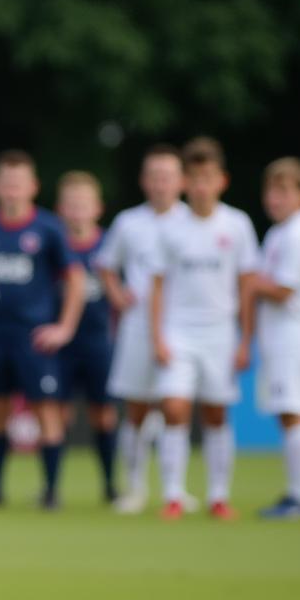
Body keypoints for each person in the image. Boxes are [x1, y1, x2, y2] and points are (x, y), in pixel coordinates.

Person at [0, 150, 86, 510]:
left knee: (46, 411)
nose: (12, 190)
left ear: (33, 187)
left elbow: (76, 280)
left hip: (34, 338)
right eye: (6, 183)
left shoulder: (49, 228)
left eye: (18, 184)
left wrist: (64, 328)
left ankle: (51, 491)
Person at [150, 137, 258, 520]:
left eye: (207, 177)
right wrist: (157, 337)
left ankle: (218, 496)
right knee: (175, 408)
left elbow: (247, 286)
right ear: (184, 182)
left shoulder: (238, 224)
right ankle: (174, 495)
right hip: (178, 331)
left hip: (220, 333)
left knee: (216, 414)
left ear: (221, 181)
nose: (200, 186)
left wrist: (246, 339)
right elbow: (157, 286)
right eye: (194, 178)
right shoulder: (170, 228)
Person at [98, 145, 190, 514]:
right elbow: (105, 264)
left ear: (181, 181)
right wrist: (119, 296)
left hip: (180, 327)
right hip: (137, 327)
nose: (160, 183)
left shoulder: (192, 222)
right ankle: (135, 487)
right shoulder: (128, 222)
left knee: (174, 407)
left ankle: (175, 489)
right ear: (143, 181)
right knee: (136, 410)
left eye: (167, 176)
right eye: (154, 176)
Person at [253, 157, 300, 519]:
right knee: (291, 414)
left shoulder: (299, 233)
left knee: (294, 413)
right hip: (283, 336)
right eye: (271, 190)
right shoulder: (280, 231)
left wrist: (246, 280)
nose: (274, 198)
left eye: (284, 190)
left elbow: (282, 290)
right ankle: (299, 494)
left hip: (294, 335)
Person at [55, 171, 118, 503]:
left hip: (98, 341)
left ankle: (110, 485)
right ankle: (53, 490)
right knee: (57, 415)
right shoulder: (55, 244)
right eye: (71, 204)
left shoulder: (110, 244)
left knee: (103, 413)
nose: (78, 211)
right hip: (61, 346)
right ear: (61, 209)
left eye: (84, 204)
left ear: (98, 208)